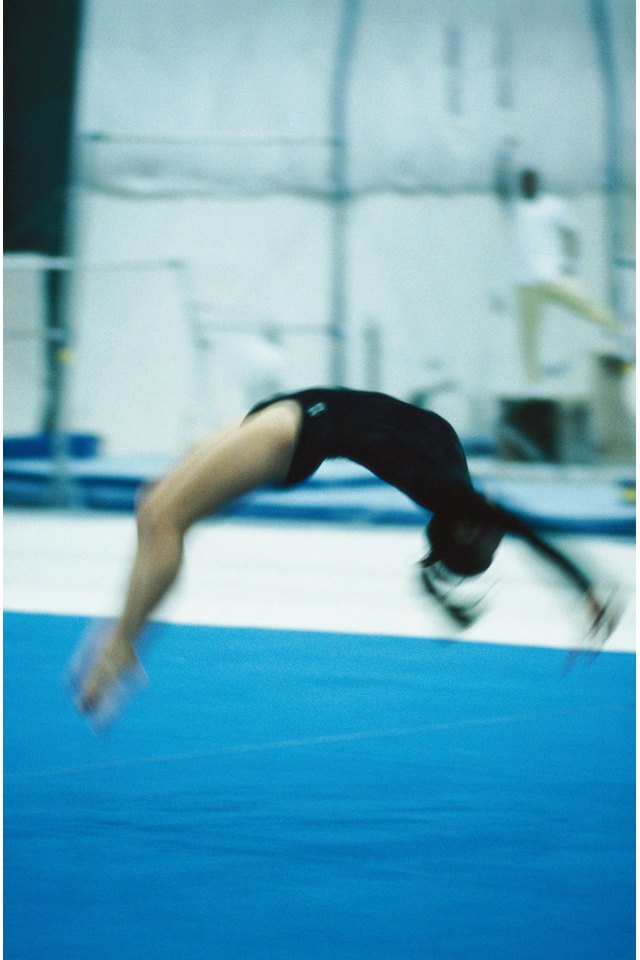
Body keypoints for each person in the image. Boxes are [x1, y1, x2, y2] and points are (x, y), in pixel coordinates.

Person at [72, 387, 620, 723]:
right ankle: (123, 642)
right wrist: (583, 588)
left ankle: (122, 648)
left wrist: (584, 587)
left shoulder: (449, 493)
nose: (500, 529)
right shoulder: (453, 475)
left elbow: (530, 529)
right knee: (153, 504)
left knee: (166, 520)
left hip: (293, 432)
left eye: (492, 539)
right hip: (287, 412)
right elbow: (519, 525)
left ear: (472, 530)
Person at [508, 169, 619, 381]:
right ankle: (533, 377)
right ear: (521, 184)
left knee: (586, 305)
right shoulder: (516, 207)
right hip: (525, 282)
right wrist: (504, 160)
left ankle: (619, 329)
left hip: (552, 276)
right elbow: (503, 188)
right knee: (528, 335)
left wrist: (570, 263)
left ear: (537, 183)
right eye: (525, 182)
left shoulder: (552, 205)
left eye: (531, 182)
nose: (528, 186)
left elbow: (571, 232)